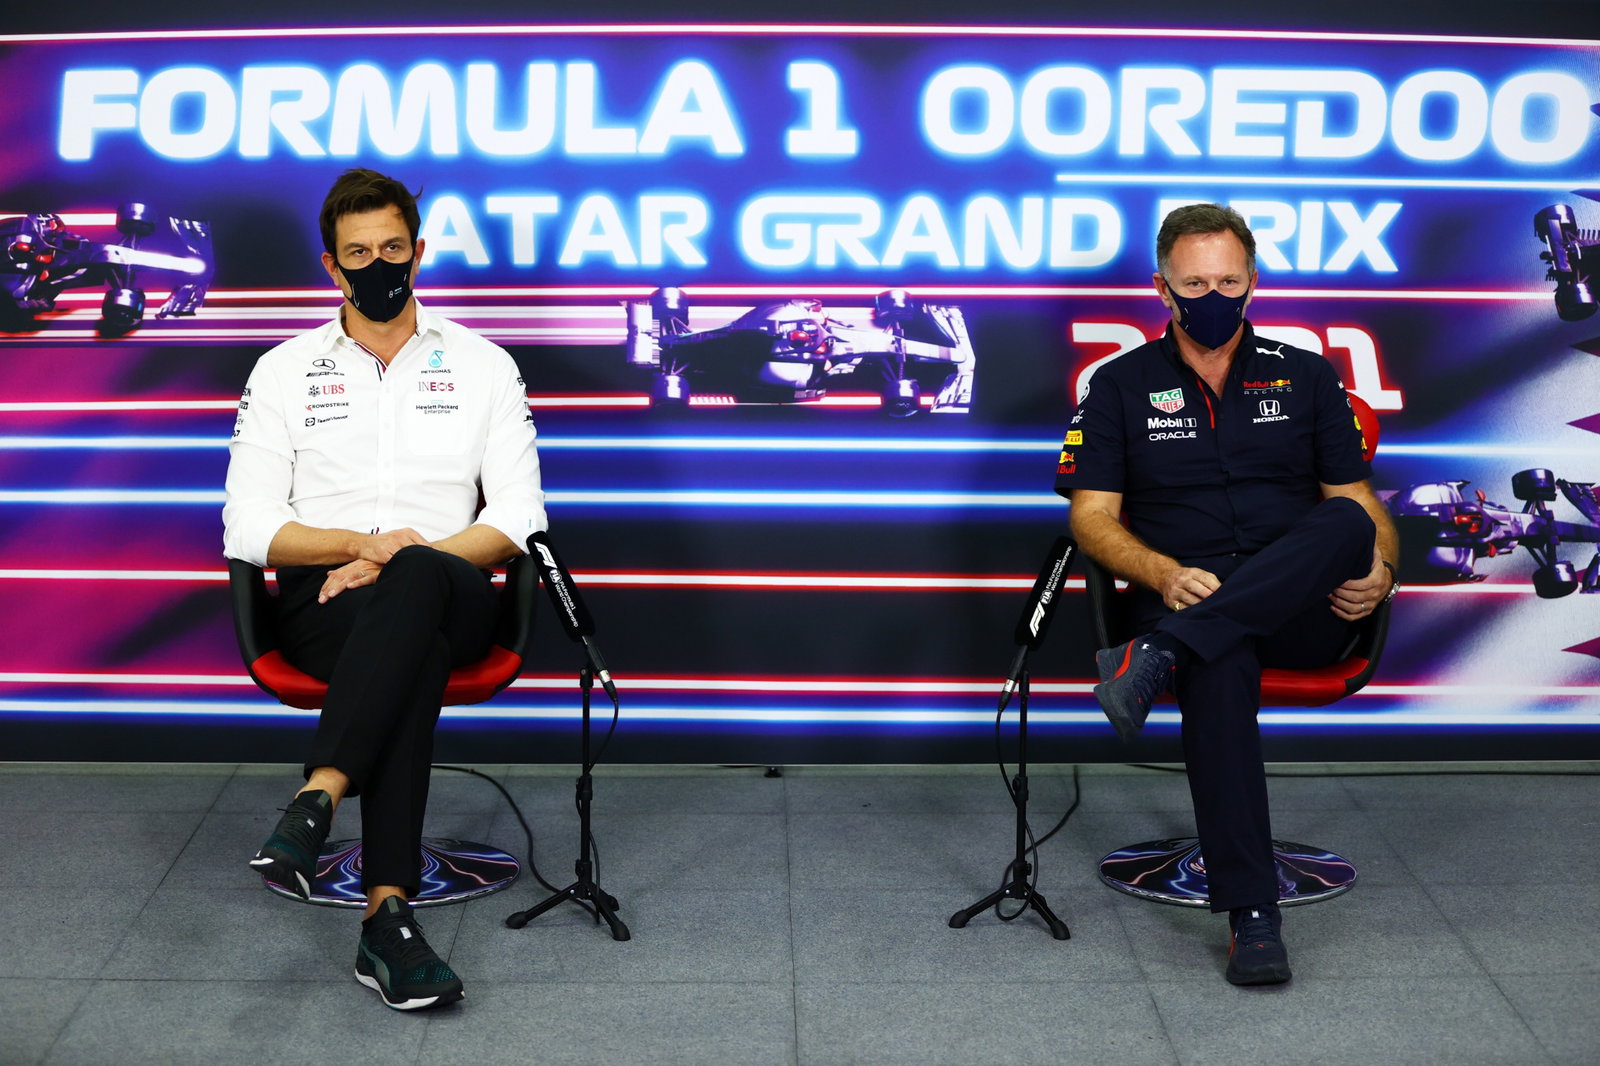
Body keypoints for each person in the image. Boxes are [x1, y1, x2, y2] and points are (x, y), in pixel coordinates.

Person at [223, 168, 546, 1010]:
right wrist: (361, 547)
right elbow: (249, 526)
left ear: (419, 252)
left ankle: (320, 792)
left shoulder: (483, 365)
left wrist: (402, 560)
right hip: (326, 605)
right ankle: (387, 920)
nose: (378, 265)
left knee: (419, 585)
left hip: (459, 588)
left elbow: (518, 517)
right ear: (331, 266)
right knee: (415, 650)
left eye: (393, 248)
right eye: (358, 253)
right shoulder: (283, 371)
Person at [1056, 203, 1398, 986]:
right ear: (1162, 288)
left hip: (1303, 609)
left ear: (1253, 282)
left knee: (1346, 520)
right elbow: (1091, 518)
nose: (1213, 297)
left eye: (1228, 282)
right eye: (1194, 284)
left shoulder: (1307, 374)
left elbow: (1358, 503)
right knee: (1219, 656)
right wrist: (1161, 574)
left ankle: (1159, 654)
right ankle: (1252, 916)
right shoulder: (1118, 385)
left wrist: (1382, 569)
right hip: (1180, 591)